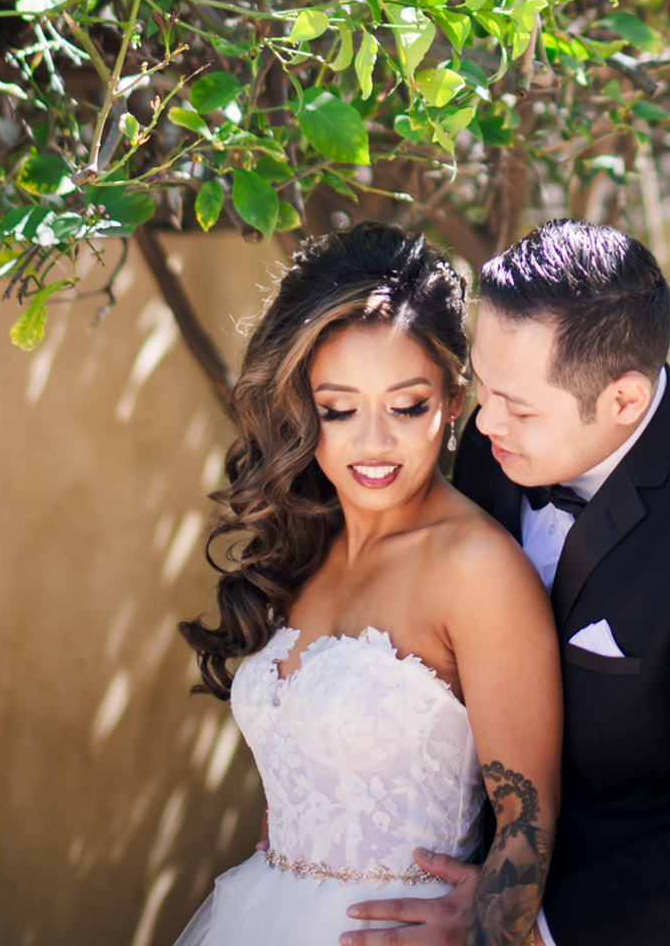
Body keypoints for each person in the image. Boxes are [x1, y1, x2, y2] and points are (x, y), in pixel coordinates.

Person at [346, 219, 670, 946]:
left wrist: (525, 924)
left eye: (519, 405)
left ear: (624, 402)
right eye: (484, 385)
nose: (485, 423)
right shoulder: (500, 448)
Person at [174, 222, 562, 946]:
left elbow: (528, 823)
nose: (373, 443)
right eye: (339, 408)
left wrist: (487, 927)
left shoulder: (477, 570)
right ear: (302, 406)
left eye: (407, 406)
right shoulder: (302, 543)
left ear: (452, 399)